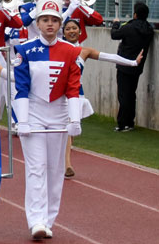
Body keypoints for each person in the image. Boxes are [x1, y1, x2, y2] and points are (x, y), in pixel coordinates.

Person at [13, 0, 82, 241]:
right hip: (33, 111)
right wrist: (22, 120)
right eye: (45, 20)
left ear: (60, 23)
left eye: (54, 20)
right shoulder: (24, 49)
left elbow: (74, 88)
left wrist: (75, 118)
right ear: (38, 23)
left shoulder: (72, 51)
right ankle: (36, 221)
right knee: (36, 168)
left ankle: (49, 219)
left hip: (59, 113)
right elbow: (21, 88)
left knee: (54, 169)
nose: (50, 24)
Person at [60, 19, 142, 177]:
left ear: (80, 32)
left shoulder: (85, 51)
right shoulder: (57, 49)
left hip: (77, 94)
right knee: (66, 130)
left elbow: (109, 57)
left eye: (74, 28)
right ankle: (67, 165)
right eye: (68, 28)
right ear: (63, 32)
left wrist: (132, 63)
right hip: (59, 95)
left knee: (70, 131)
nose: (71, 31)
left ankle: (63, 158)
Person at [110, 2, 153, 132]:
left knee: (123, 95)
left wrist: (115, 24)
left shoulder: (129, 27)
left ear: (135, 14)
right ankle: (130, 122)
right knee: (131, 94)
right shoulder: (149, 30)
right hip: (137, 67)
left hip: (124, 64)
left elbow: (114, 35)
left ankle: (122, 124)